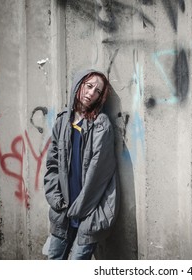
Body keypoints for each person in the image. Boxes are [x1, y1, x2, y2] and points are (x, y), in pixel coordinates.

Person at [43, 69, 119, 260]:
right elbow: (52, 166)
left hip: (90, 212)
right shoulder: (62, 122)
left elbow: (98, 175)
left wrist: (78, 209)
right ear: (79, 85)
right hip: (63, 210)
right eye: (89, 86)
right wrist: (55, 199)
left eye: (98, 91)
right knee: (53, 259)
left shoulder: (101, 125)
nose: (92, 93)